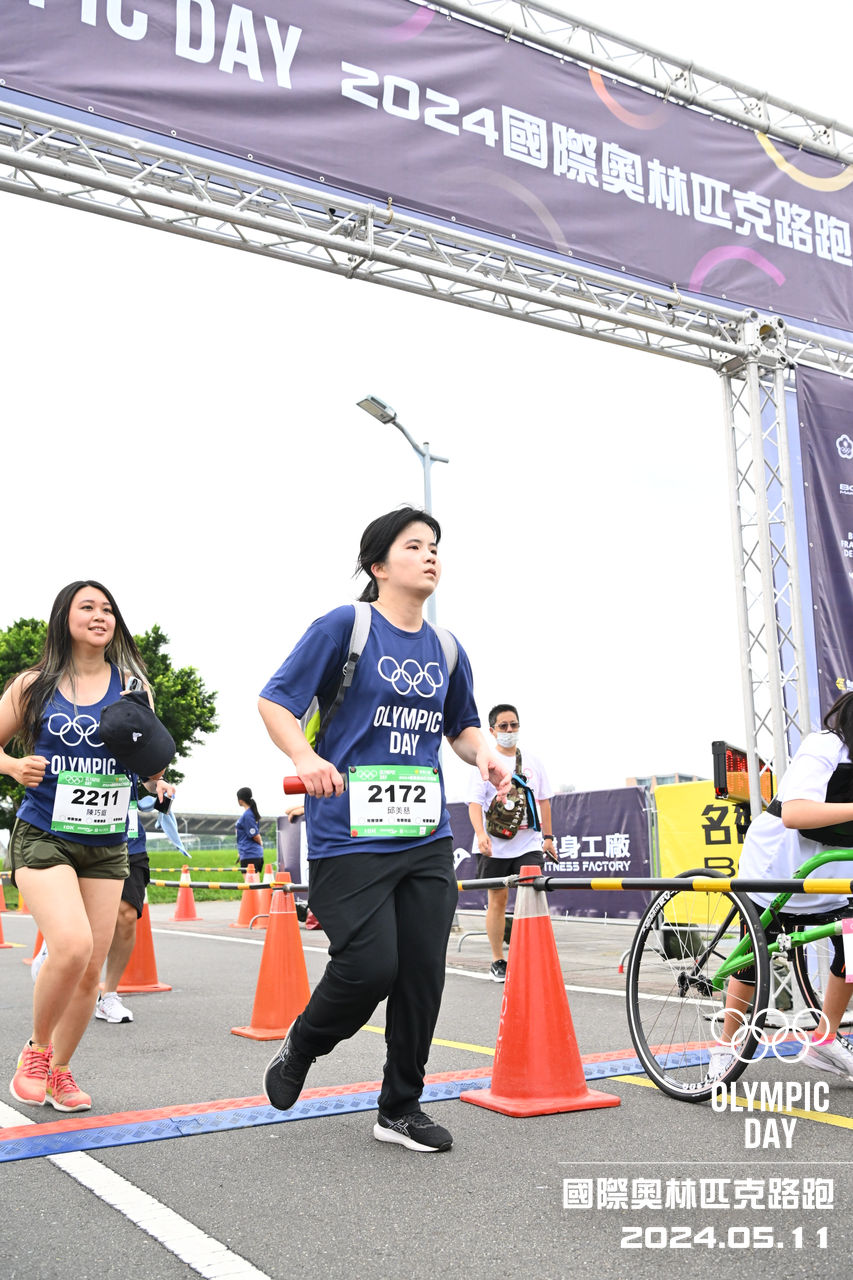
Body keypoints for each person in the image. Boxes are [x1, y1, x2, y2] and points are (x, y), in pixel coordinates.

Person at [257, 506, 509, 1153]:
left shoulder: (446, 648)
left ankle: (400, 1108)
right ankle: (303, 1044)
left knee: (422, 973)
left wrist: (483, 753)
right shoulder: (346, 627)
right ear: (378, 565)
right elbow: (275, 700)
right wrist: (305, 757)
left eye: (434, 546)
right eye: (413, 546)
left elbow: (461, 727)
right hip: (348, 837)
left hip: (424, 837)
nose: (430, 555)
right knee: (369, 968)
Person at [0, 581, 171, 1111]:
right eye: (87, 607)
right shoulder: (34, 684)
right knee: (71, 946)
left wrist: (156, 780)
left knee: (90, 969)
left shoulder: (133, 686)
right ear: (65, 618)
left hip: (107, 841)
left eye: (108, 609)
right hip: (45, 834)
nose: (100, 616)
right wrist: (13, 766)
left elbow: (149, 760)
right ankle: (36, 1052)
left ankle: (60, 1073)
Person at [708, 691, 853, 1082]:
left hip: (833, 875)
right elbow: (795, 812)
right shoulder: (825, 746)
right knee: (753, 962)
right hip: (778, 869)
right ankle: (724, 1046)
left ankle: (825, 1040)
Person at [468, 703, 556, 981]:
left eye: (514, 725)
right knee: (498, 899)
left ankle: (530, 956)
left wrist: (548, 838)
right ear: (492, 730)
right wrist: (480, 834)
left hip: (528, 843)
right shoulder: (487, 761)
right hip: (495, 844)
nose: (509, 730)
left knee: (532, 896)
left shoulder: (533, 761)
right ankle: (498, 960)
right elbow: (474, 803)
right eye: (503, 726)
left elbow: (544, 801)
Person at [95, 776, 176, 1025]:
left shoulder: (130, 750)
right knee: (88, 917)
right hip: (85, 837)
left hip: (129, 841)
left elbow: (149, 777)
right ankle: (58, 951)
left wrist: (158, 783)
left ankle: (108, 996)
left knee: (127, 914)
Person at [235, 786, 264, 875]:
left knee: (251, 883)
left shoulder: (248, 815)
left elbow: (255, 835)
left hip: (250, 855)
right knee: (253, 883)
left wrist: (260, 843)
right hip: (248, 854)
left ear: (240, 800)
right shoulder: (250, 813)